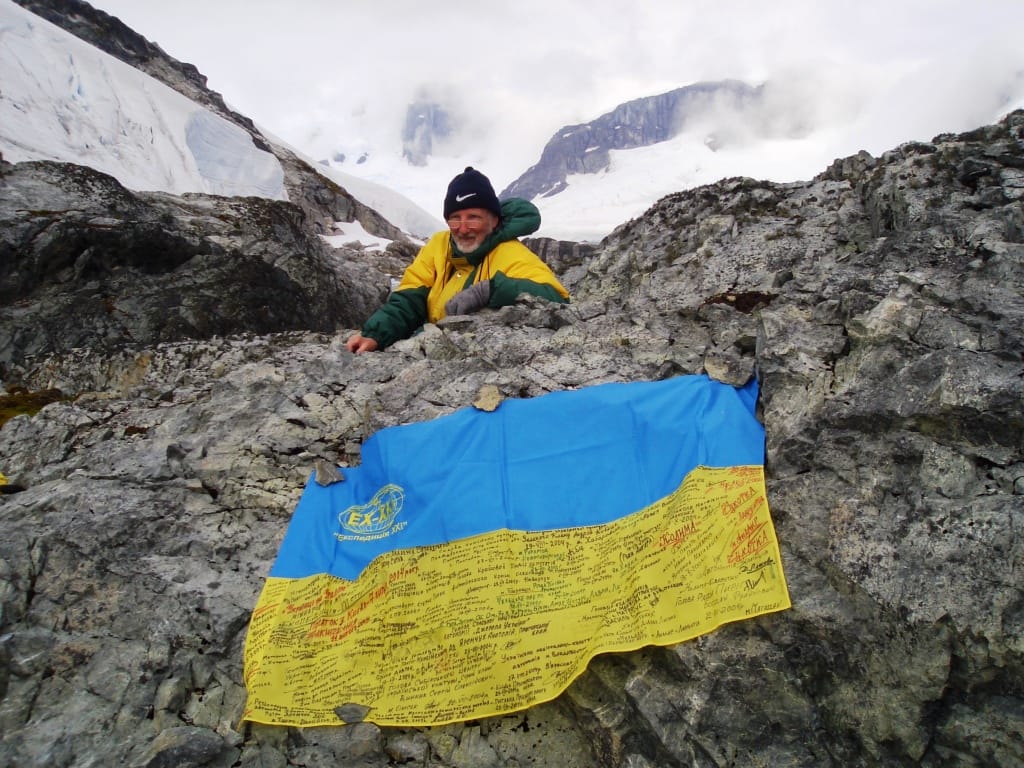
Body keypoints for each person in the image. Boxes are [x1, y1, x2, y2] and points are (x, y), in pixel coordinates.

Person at [345, 167, 569, 353]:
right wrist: (375, 334)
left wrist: (491, 290)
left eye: (473, 218)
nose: (462, 229)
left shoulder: (509, 252)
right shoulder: (439, 244)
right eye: (455, 218)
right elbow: (410, 297)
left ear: (493, 220)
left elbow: (557, 299)